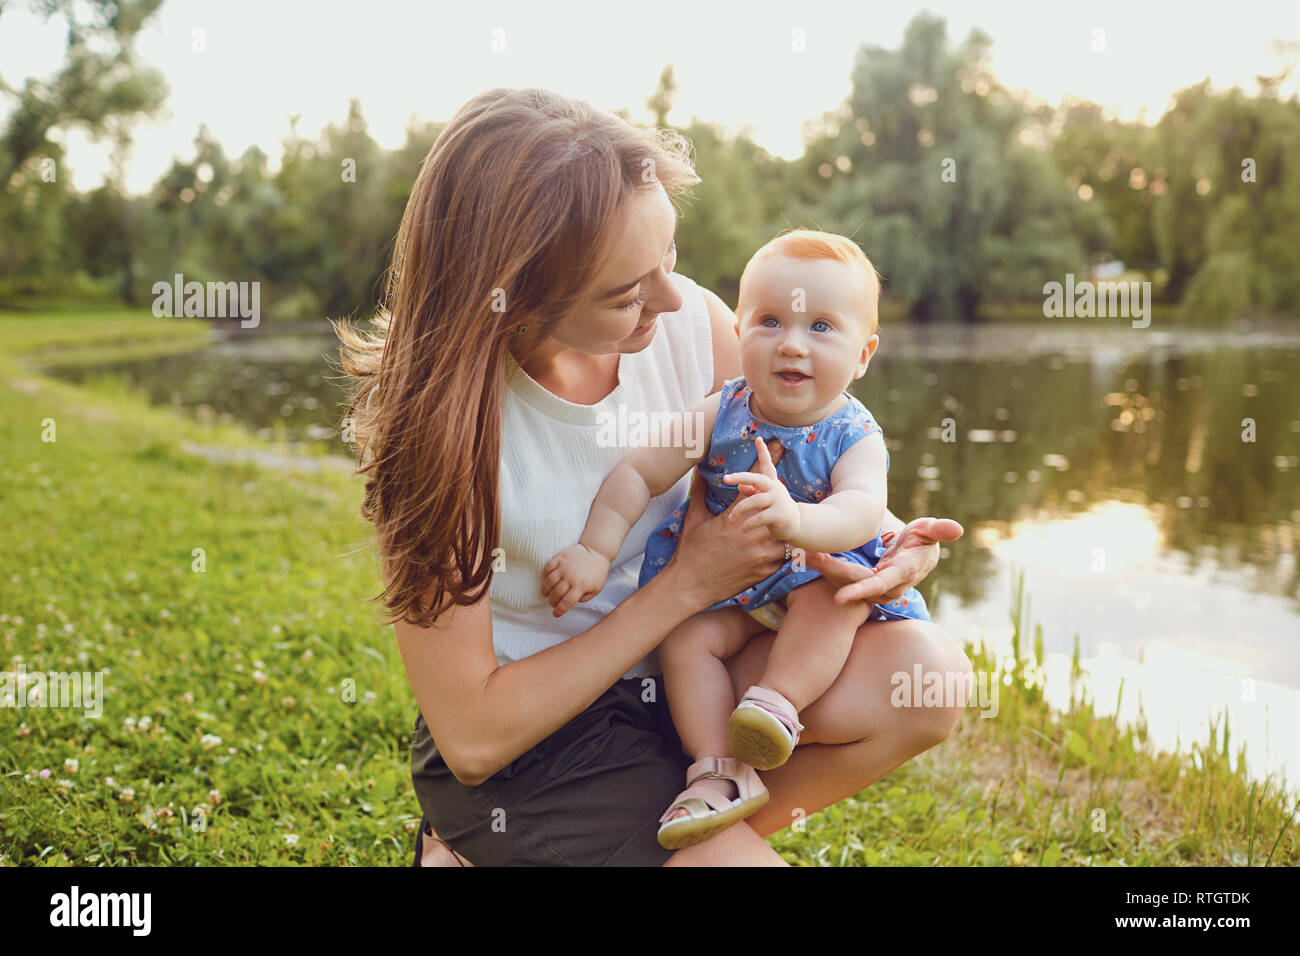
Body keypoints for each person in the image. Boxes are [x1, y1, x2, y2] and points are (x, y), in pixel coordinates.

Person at [335, 87, 969, 867]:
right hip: (541, 745)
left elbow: (802, 466)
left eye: (666, 257)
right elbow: (471, 737)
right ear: (517, 297)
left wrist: (891, 538)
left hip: (683, 683)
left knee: (926, 675)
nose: (672, 300)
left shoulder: (695, 323)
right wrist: (683, 589)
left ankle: (701, 820)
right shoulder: (441, 435)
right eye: (627, 291)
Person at [542, 230, 931, 849]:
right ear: (740, 329)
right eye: (770, 321)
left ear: (864, 354)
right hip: (725, 595)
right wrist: (595, 547)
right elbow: (640, 472)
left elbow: (862, 509)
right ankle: (718, 769)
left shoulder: (854, 432)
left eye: (822, 327)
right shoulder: (723, 410)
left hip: (807, 574)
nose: (792, 345)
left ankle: (776, 702)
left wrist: (798, 523)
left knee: (831, 602)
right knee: (685, 638)